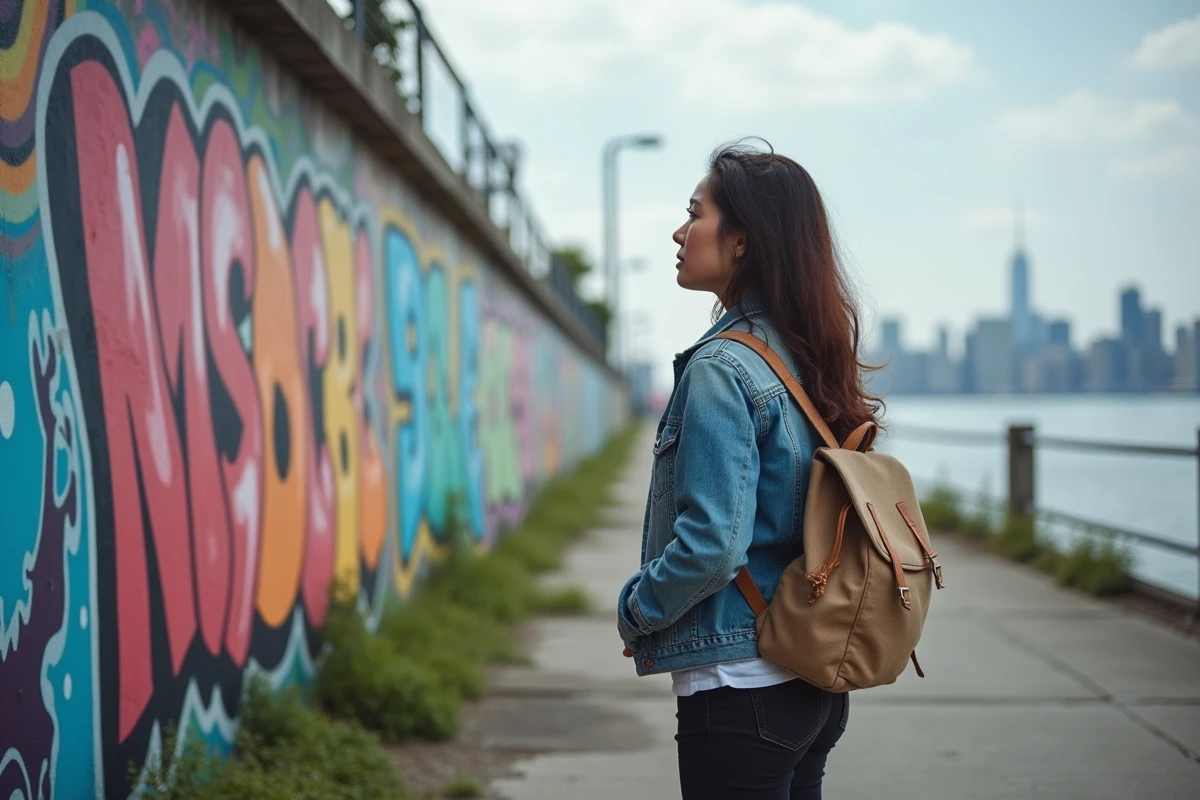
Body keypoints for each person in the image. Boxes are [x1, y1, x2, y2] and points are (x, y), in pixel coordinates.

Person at [616, 141, 882, 799]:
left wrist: (638, 608)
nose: (679, 232)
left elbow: (712, 548)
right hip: (810, 679)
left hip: (740, 684)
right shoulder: (803, 354)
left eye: (695, 214)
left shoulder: (720, 370)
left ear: (741, 242)